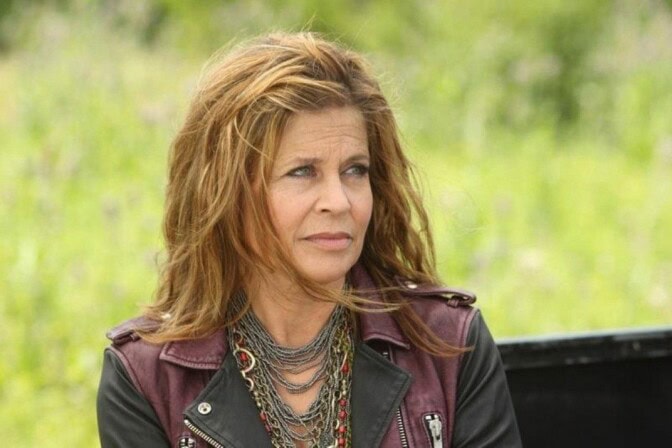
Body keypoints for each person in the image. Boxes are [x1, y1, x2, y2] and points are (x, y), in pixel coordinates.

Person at [97, 32, 521, 448]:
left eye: (354, 170)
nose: (339, 201)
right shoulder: (146, 378)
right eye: (302, 172)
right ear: (225, 193)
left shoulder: (447, 344)